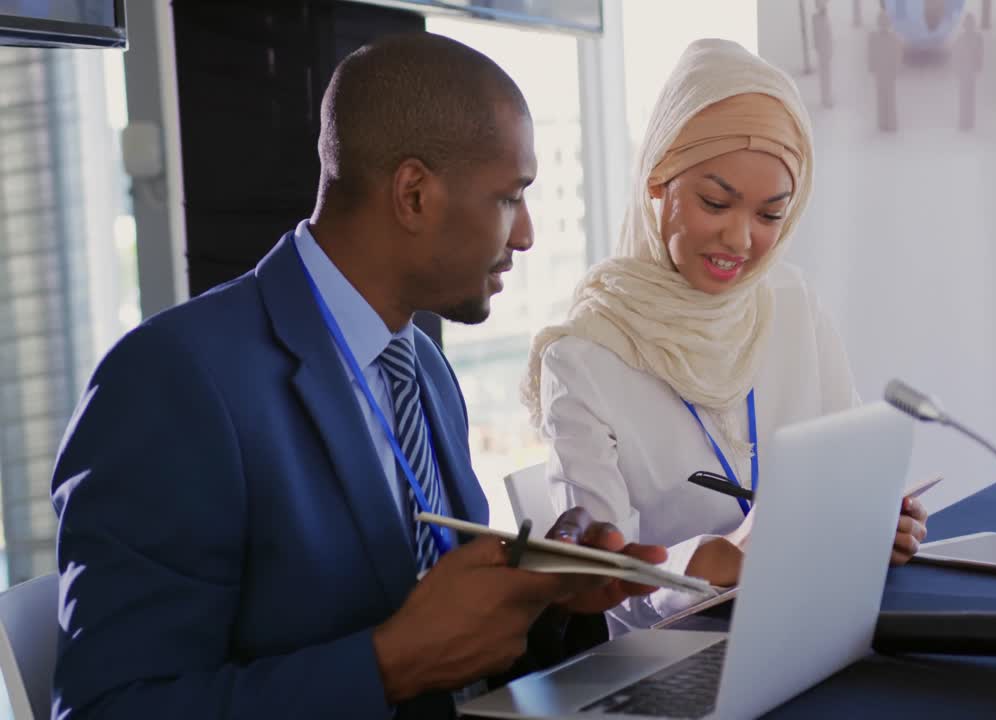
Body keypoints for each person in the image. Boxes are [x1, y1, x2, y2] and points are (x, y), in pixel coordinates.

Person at [49, 32, 663, 719]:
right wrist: (387, 666)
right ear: (414, 195)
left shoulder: (421, 366)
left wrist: (544, 603)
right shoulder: (172, 382)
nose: (525, 235)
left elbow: (456, 650)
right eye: (509, 198)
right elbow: (110, 710)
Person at [521, 39, 928, 634]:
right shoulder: (585, 356)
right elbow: (597, 580)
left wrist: (877, 521)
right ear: (657, 182)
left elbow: (848, 469)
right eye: (716, 202)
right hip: (677, 652)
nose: (741, 241)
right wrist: (719, 559)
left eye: (770, 216)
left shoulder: (792, 305)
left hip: (816, 621)